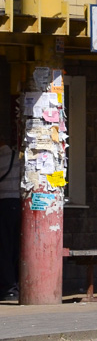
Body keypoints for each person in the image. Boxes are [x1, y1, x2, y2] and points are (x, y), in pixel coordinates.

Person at [0, 128, 20, 301]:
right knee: (14, 246)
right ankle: (15, 285)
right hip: (18, 204)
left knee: (4, 247)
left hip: (3, 204)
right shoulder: (17, 157)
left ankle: (9, 287)